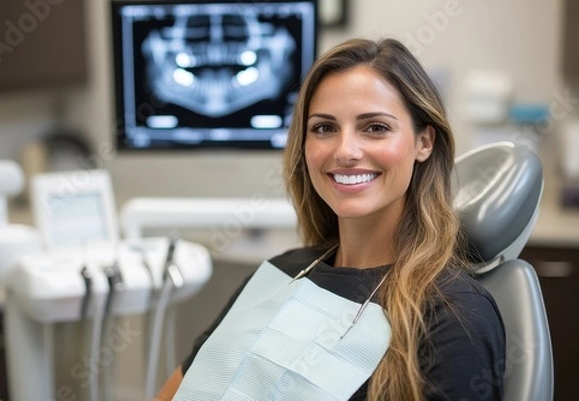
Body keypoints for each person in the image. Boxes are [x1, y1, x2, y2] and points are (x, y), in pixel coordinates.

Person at [155, 37, 505, 401]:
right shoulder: (280, 272)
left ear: (424, 142)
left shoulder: (452, 314)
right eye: (324, 128)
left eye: (375, 128)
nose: (345, 152)